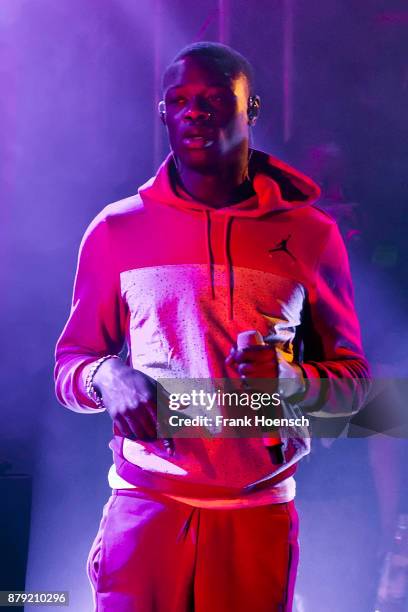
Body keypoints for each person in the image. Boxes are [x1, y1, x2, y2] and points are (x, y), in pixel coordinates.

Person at [54, 42, 370, 612]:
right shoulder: (116, 231)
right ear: (164, 114)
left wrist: (290, 379)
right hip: (146, 511)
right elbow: (70, 366)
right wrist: (107, 375)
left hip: (256, 515)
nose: (194, 112)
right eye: (179, 101)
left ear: (251, 111)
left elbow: (354, 388)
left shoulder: (311, 234)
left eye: (214, 100)